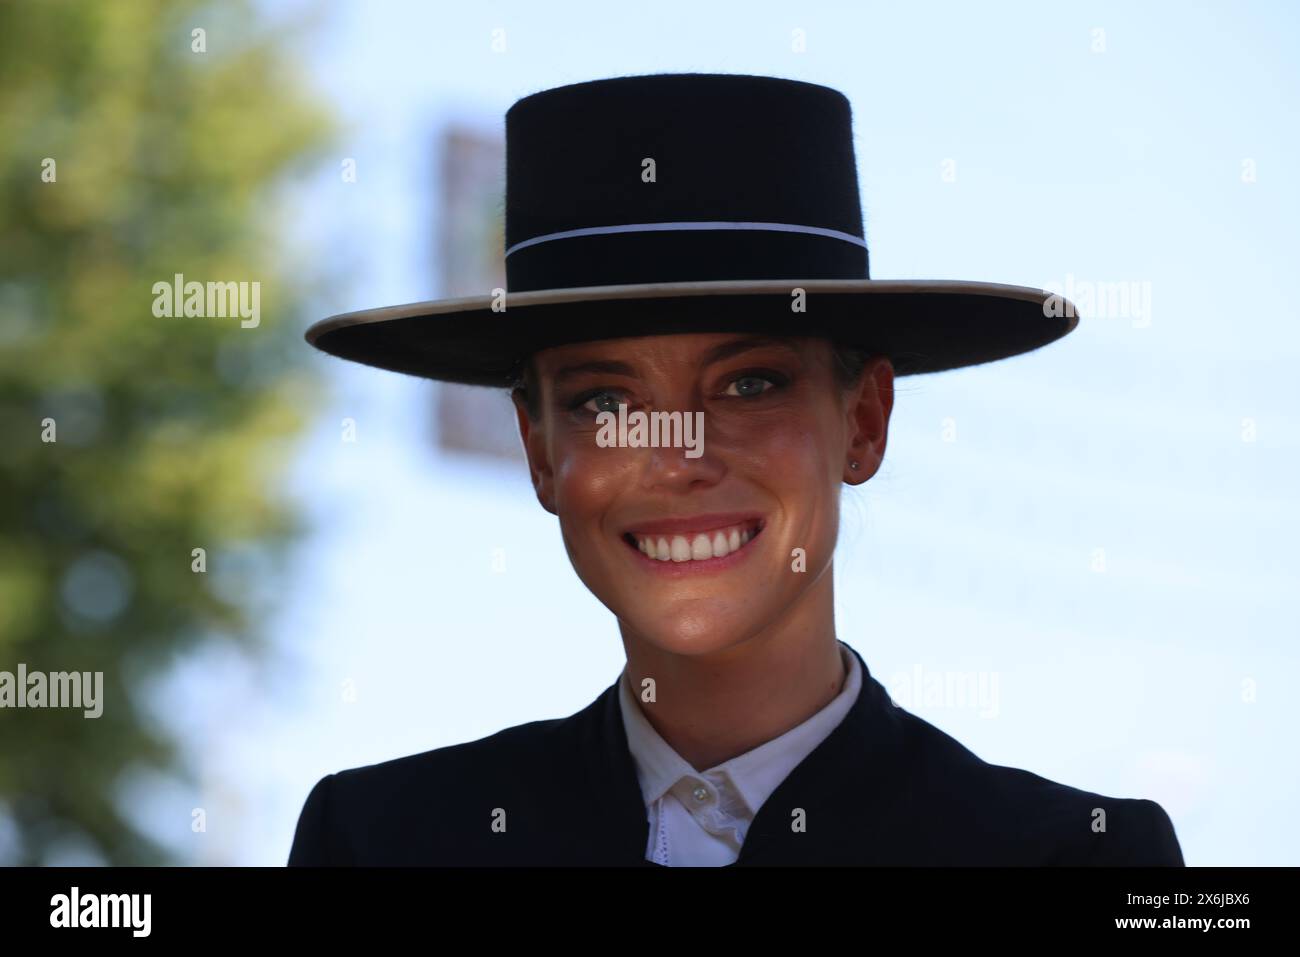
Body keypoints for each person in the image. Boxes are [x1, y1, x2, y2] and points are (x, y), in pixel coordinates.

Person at [288, 72, 1184, 866]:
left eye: (750, 383)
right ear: (539, 451)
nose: (678, 457)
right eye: (605, 401)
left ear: (864, 420)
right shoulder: (382, 841)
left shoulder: (1073, 860)